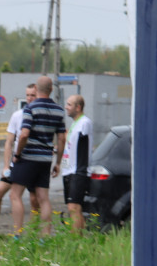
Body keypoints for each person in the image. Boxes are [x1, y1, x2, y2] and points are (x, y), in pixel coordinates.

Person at [8, 76, 66, 237]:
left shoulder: (30, 108)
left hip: (27, 157)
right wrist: (58, 162)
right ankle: (45, 236)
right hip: (45, 159)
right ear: (51, 90)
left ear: (36, 89)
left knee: (15, 195)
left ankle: (17, 234)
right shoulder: (59, 110)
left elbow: (24, 134)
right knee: (43, 198)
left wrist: (17, 154)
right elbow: (61, 138)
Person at [0, 84, 40, 238]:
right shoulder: (17, 115)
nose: (29, 98)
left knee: (35, 199)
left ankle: (31, 234)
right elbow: (9, 142)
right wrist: (6, 165)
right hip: (17, 163)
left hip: (34, 163)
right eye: (27, 95)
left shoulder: (40, 115)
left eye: (33, 95)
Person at [61, 94, 93, 232]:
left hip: (78, 170)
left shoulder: (84, 122)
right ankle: (76, 238)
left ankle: (77, 241)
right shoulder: (75, 123)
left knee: (74, 206)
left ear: (78, 107)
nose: (66, 107)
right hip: (68, 170)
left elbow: (84, 146)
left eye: (69, 104)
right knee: (71, 206)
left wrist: (81, 170)